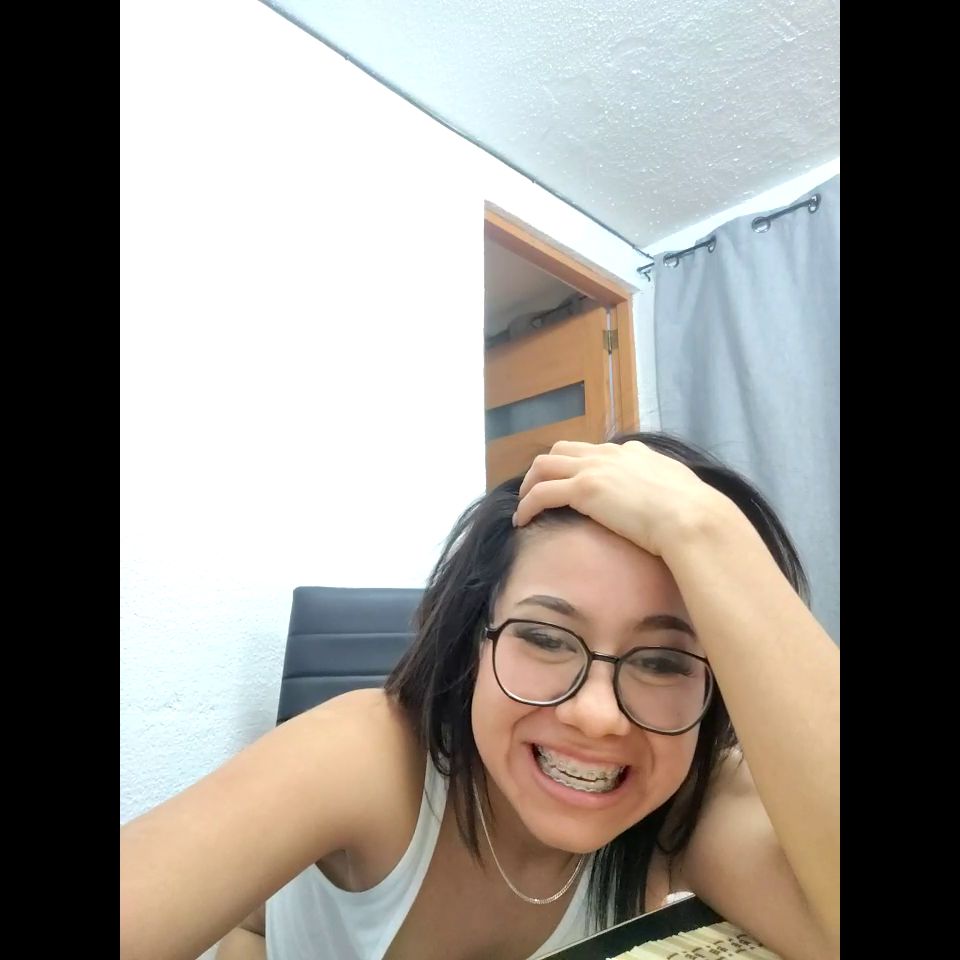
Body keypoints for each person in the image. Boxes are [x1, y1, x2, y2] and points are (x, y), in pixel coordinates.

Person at [120, 434, 840, 960]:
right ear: (474, 643)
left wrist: (712, 535)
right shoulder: (365, 755)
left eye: (661, 661)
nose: (597, 714)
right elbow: (240, 923)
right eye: (547, 639)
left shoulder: (686, 806)